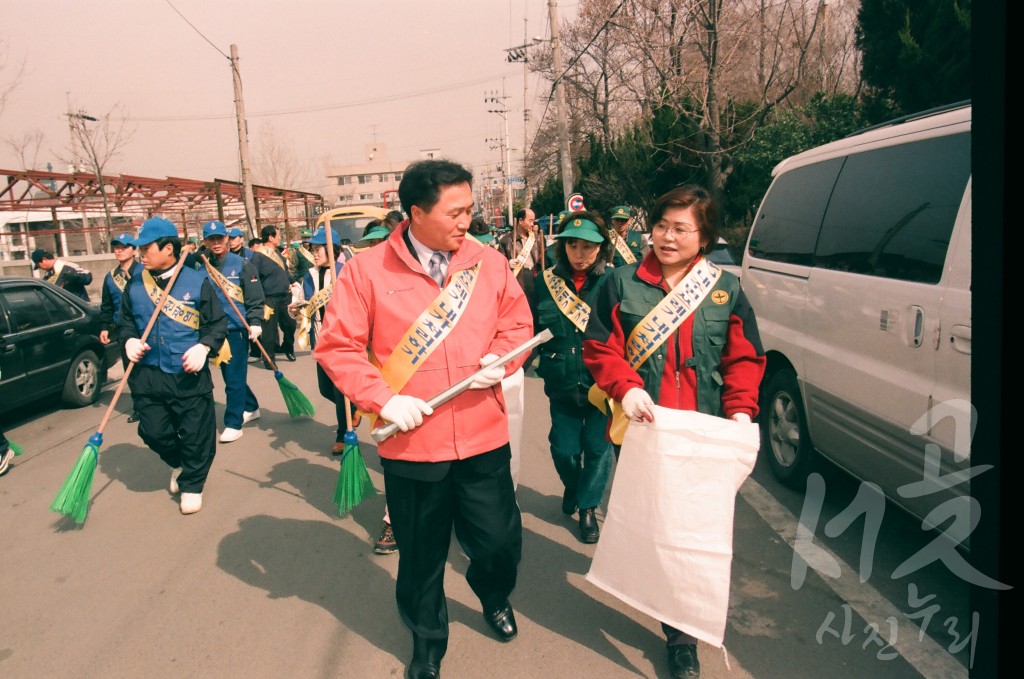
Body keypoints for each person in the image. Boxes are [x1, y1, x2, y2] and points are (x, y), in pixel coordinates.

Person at [314, 159, 533, 679]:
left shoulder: (487, 262)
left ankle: (494, 594)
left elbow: (517, 322)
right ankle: (428, 639)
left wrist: (501, 359)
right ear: (415, 213)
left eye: (470, 210)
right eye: (456, 212)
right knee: (420, 557)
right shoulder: (366, 271)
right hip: (414, 447)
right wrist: (382, 400)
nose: (467, 221)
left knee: (499, 542)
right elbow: (338, 347)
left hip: (482, 433)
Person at [582, 185, 766, 679]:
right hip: (646, 428)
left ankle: (682, 637)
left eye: (681, 228)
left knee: (693, 532)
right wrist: (625, 388)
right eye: (661, 224)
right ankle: (660, 602)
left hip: (703, 432)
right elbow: (601, 346)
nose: (667, 236)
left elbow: (744, 357)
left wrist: (742, 411)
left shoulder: (725, 288)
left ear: (705, 236)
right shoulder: (621, 283)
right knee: (657, 525)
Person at [118, 217, 228, 515]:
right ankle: (178, 463)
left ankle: (192, 483)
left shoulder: (197, 281)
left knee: (196, 434)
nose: (140, 253)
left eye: (146, 248)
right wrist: (128, 340)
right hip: (148, 375)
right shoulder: (135, 285)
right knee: (153, 431)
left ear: (169, 248)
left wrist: (204, 347)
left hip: (186, 374)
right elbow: (126, 323)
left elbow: (217, 324)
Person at [532, 213, 614, 544]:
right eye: (572, 245)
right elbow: (530, 329)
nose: (579, 253)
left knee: (597, 449)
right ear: (562, 247)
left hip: (602, 385)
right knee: (563, 449)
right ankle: (574, 485)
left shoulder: (614, 282)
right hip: (562, 383)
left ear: (601, 249)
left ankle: (588, 508)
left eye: (588, 247)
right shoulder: (543, 282)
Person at [199, 220, 266, 443]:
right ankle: (251, 406)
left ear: (226, 238)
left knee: (233, 378)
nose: (216, 243)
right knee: (231, 375)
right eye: (212, 239)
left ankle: (233, 422)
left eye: (220, 238)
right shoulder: (202, 266)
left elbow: (256, 297)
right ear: (205, 242)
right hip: (213, 330)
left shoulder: (242, 264)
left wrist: (255, 321)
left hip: (236, 329)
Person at [290, 225, 354, 454]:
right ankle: (353, 408)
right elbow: (301, 304)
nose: (314, 253)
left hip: (342, 341)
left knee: (338, 390)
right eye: (313, 249)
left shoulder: (345, 272)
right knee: (325, 389)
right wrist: (296, 310)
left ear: (332, 249)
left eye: (319, 249)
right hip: (319, 339)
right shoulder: (309, 276)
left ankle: (342, 433)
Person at [98, 232, 144, 422]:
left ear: (134, 250)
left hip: (145, 327)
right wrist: (104, 326)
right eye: (117, 248)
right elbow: (106, 305)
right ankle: (140, 408)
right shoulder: (111, 278)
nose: (120, 251)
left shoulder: (144, 272)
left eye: (124, 247)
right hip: (124, 331)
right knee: (131, 371)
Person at [251, 225, 297, 365]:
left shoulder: (278, 254)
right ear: (270, 238)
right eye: (277, 235)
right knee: (269, 331)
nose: (279, 238)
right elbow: (254, 278)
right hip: (269, 298)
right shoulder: (258, 257)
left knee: (290, 325)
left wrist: (294, 282)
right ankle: (269, 359)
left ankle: (288, 347)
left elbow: (285, 272)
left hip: (285, 296)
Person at [497, 208, 543, 301]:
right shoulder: (506, 240)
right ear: (521, 221)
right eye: (530, 221)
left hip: (535, 277)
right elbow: (498, 264)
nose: (532, 224)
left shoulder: (537, 239)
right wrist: (507, 264)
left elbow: (544, 260)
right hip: (518, 279)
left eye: (533, 221)